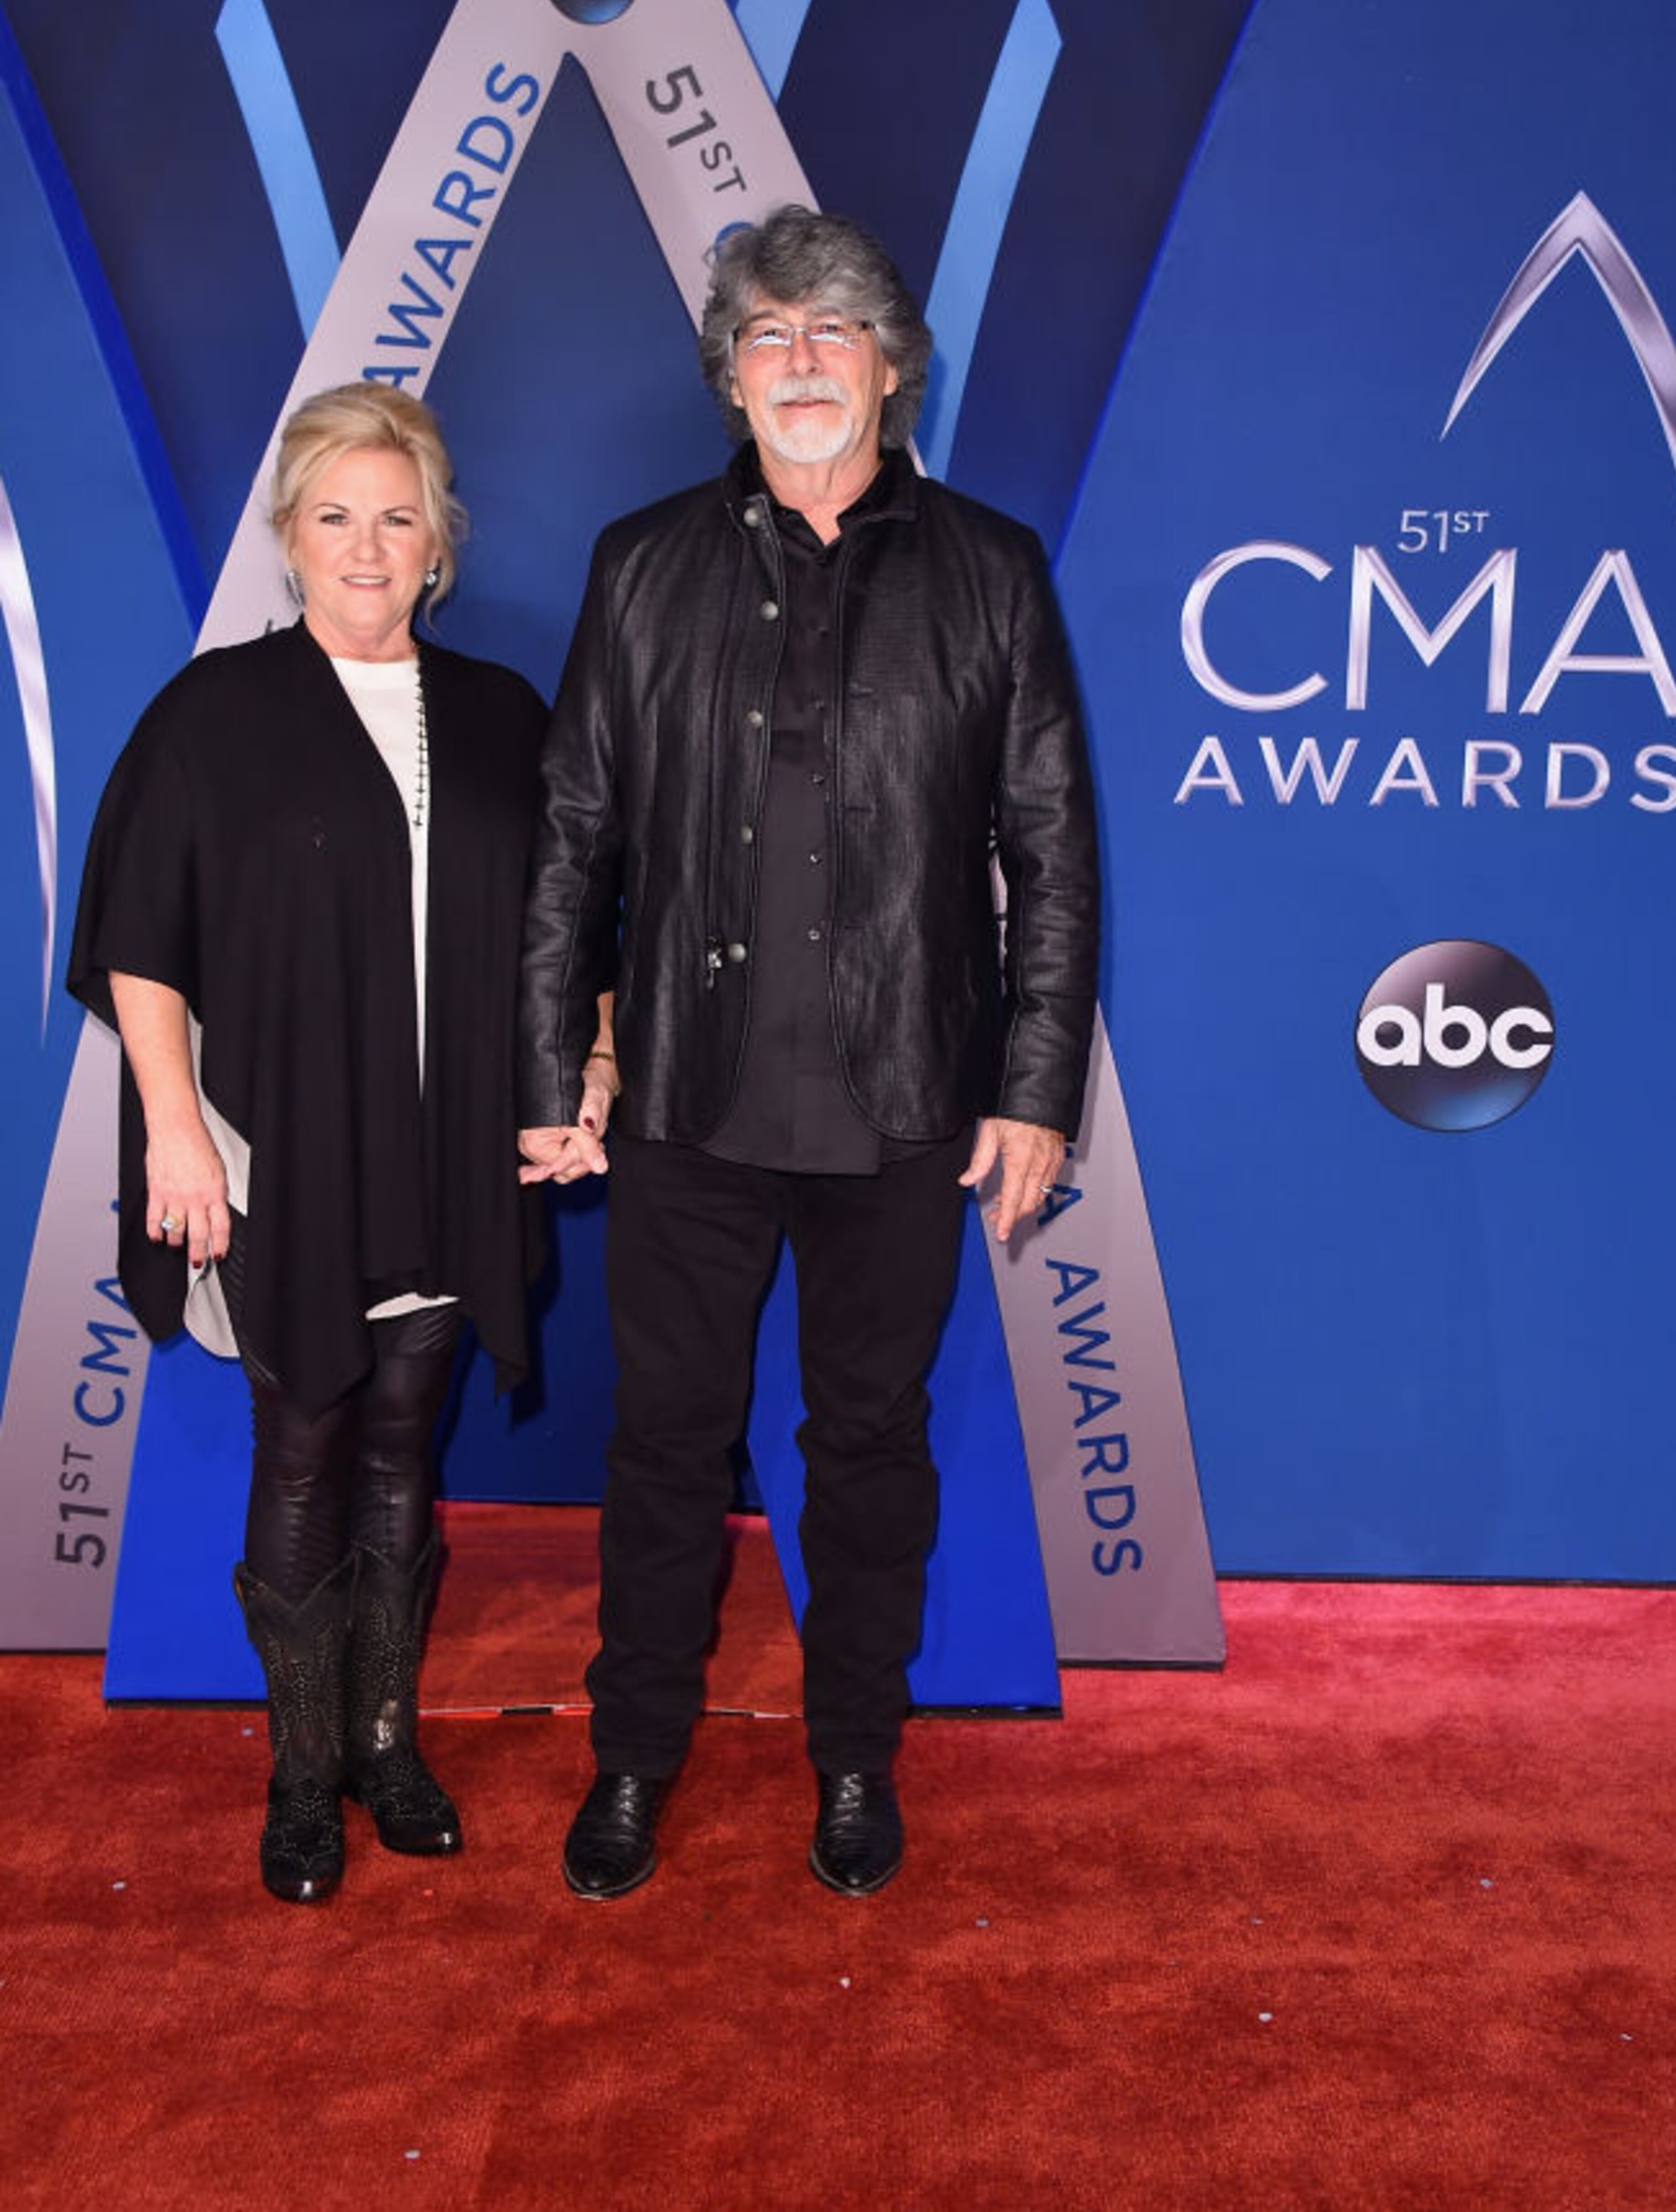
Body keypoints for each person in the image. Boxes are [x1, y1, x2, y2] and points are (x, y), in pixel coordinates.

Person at [517, 204, 1098, 1899]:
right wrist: (557, 1068)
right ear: (728, 380)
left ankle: (854, 1757)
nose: (799, 364)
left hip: (909, 1105)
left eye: (830, 333)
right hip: (691, 1105)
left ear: (892, 368)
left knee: (867, 1446)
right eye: (766, 337)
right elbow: (572, 834)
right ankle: (634, 1758)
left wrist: (1036, 1087)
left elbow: (1049, 849)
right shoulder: (642, 565)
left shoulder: (992, 572)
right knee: (665, 1450)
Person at [69, 382, 545, 1906]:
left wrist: (584, 1063)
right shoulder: (214, 713)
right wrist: (174, 1137)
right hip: (273, 1150)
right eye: (335, 515)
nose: (367, 542)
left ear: (438, 545)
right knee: (308, 1439)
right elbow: (142, 942)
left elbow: (567, 929)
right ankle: (299, 1771)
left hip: (448, 1145)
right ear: (289, 539)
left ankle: (387, 1745)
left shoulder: (498, 716)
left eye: (397, 516)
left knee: (410, 1438)